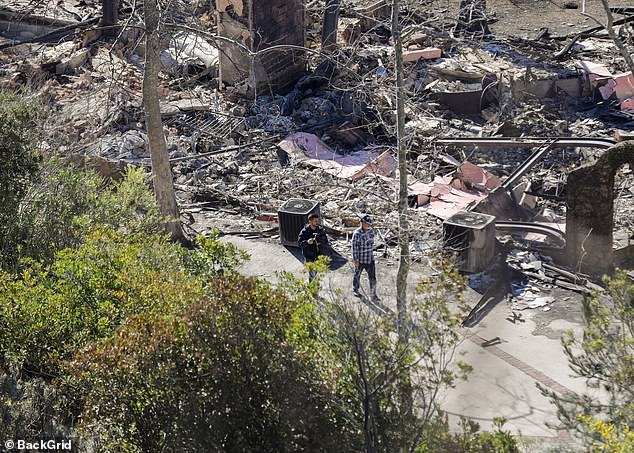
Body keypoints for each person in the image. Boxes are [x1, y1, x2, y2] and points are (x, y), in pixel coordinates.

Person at [352, 214, 378, 301]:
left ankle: (373, 294)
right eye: (366, 223)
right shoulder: (357, 234)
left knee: (372, 277)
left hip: (369, 258)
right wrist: (356, 260)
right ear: (362, 223)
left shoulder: (371, 232)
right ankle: (355, 289)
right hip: (360, 259)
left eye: (369, 224)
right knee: (357, 275)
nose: (367, 225)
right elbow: (354, 247)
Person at [298, 213, 329, 281]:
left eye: (318, 221)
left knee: (316, 272)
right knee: (312, 273)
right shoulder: (304, 231)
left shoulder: (320, 230)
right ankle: (311, 287)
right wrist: (307, 242)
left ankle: (314, 285)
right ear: (310, 221)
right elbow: (300, 243)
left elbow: (325, 241)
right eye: (315, 221)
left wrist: (318, 240)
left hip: (319, 255)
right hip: (309, 255)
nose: (317, 222)